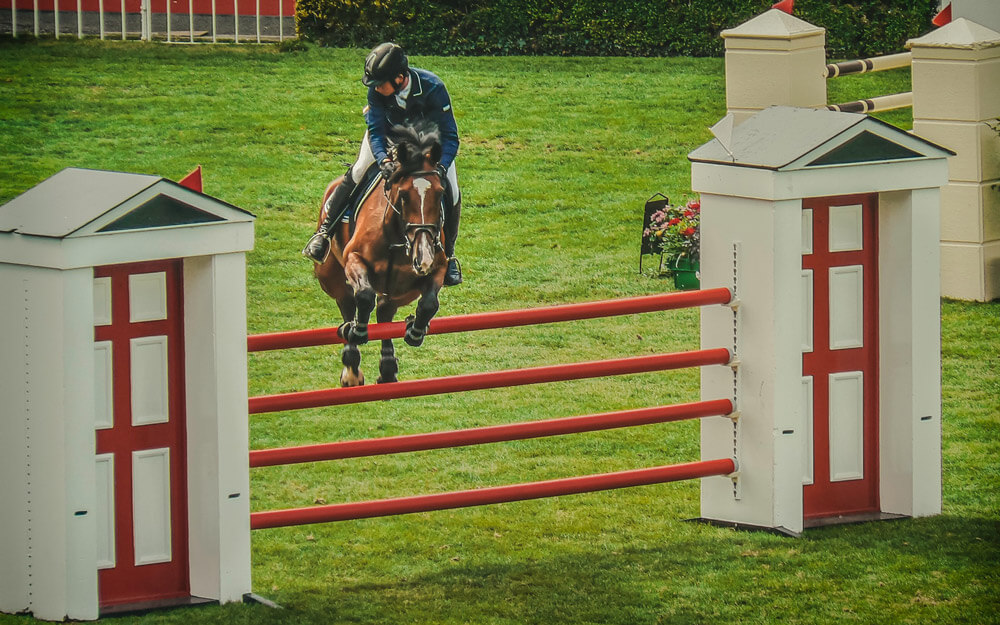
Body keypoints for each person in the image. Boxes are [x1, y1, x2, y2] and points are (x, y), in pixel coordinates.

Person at [303, 42, 464, 286]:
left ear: (400, 78)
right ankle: (324, 233)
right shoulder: (377, 91)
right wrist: (383, 159)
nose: (376, 89)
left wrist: (440, 168)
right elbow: (376, 132)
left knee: (451, 188)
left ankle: (449, 255)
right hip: (387, 141)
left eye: (380, 83)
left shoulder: (433, 88)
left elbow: (451, 137)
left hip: (428, 148)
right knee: (358, 171)